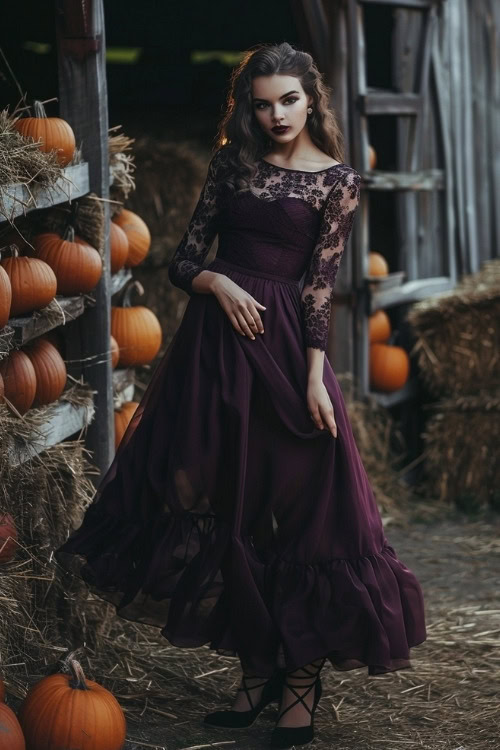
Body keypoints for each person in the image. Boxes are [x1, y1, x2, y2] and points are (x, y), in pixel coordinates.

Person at [55, 42, 426, 748]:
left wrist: (316, 377)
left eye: (288, 99)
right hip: (216, 353)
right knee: (231, 501)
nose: (276, 113)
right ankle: (256, 675)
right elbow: (186, 260)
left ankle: (299, 683)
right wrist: (220, 282)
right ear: (248, 107)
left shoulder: (338, 182)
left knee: (304, 508)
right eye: (262, 103)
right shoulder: (232, 163)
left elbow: (321, 288)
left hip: (288, 353)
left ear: (312, 98)